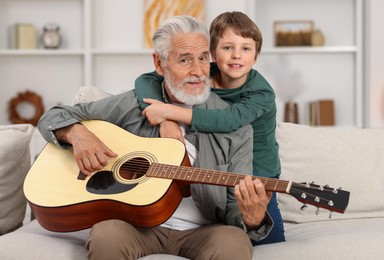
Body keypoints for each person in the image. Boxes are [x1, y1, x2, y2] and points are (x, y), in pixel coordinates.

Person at [37, 16, 272, 260]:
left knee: (235, 242)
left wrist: (252, 219)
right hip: (137, 226)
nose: (198, 71)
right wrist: (76, 133)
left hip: (203, 231)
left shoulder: (237, 129)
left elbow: (235, 209)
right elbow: (53, 116)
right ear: (159, 64)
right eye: (184, 60)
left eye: (203, 58)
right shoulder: (131, 104)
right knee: (105, 234)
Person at [135, 11, 285, 244]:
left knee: (265, 237)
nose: (237, 55)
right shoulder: (203, 74)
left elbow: (228, 120)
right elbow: (145, 80)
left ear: (256, 56)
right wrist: (166, 122)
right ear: (212, 53)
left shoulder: (262, 93)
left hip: (258, 169)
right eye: (227, 47)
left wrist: (168, 112)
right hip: (222, 164)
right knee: (221, 223)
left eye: (246, 48)